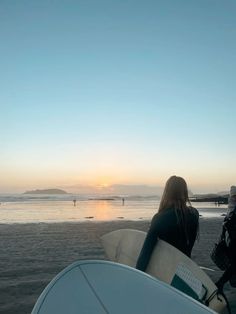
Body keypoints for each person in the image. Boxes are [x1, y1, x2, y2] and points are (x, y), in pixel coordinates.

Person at [136, 175, 199, 272]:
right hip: (185, 271)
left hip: (165, 272)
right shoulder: (194, 214)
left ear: (167, 193)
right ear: (185, 193)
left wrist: (137, 275)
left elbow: (145, 255)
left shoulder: (159, 218)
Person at [215, 186, 236, 292]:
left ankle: (221, 283)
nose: (233, 199)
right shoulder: (231, 211)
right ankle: (221, 283)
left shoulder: (232, 211)